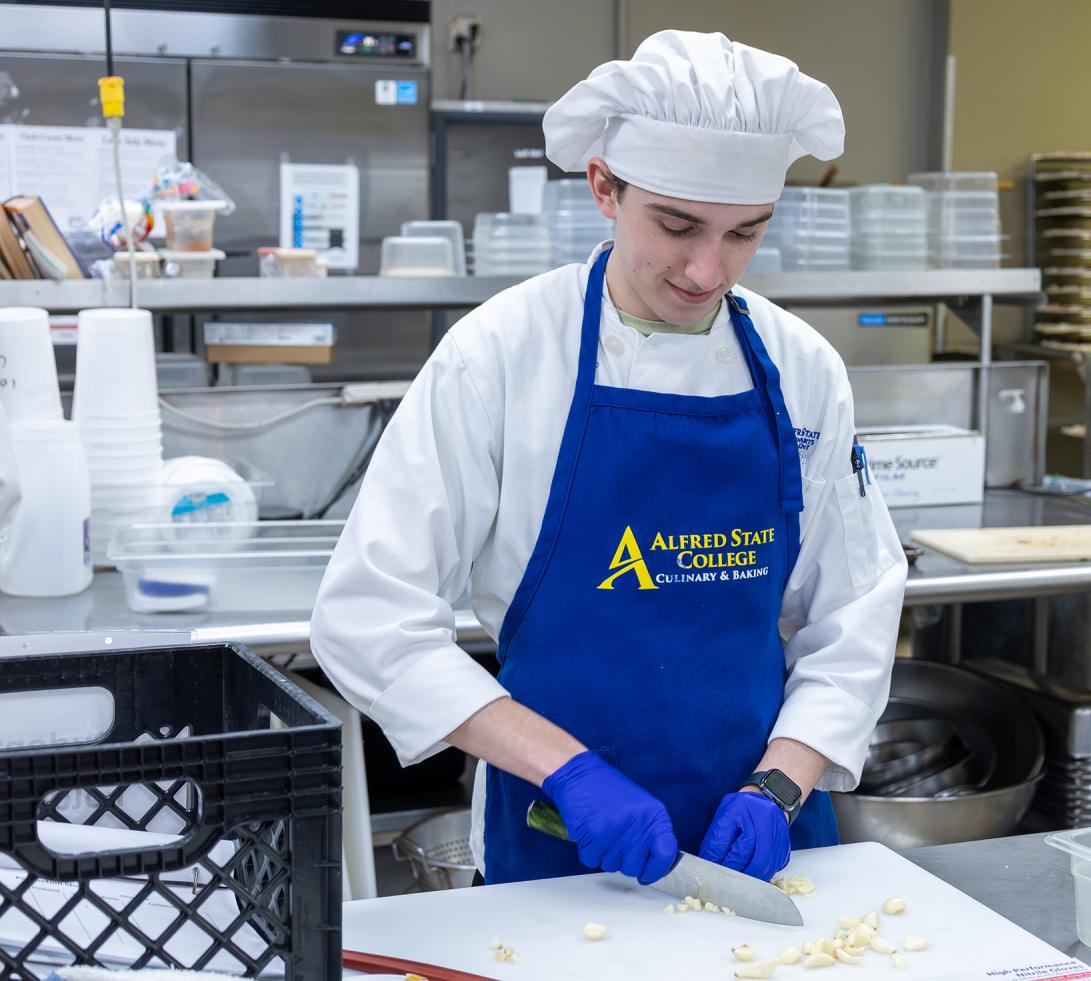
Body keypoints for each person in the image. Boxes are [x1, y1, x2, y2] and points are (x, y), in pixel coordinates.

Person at [310, 29, 905, 888]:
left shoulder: (802, 367)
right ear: (603, 187)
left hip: (767, 840)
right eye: (677, 225)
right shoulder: (499, 357)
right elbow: (369, 616)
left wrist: (780, 783)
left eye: (744, 233)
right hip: (557, 839)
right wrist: (568, 770)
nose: (707, 269)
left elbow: (854, 611)